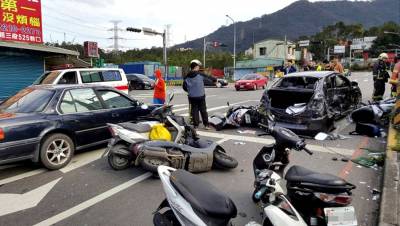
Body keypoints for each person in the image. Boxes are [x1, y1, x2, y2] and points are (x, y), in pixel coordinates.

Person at [183, 59, 210, 129]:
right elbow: (208, 78)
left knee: (194, 110)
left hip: (192, 96)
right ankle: (206, 125)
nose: (198, 68)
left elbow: (184, 87)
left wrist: (190, 91)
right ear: (195, 67)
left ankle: (196, 125)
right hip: (201, 95)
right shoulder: (199, 74)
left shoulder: (186, 76)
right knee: (203, 110)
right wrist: (215, 80)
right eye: (198, 66)